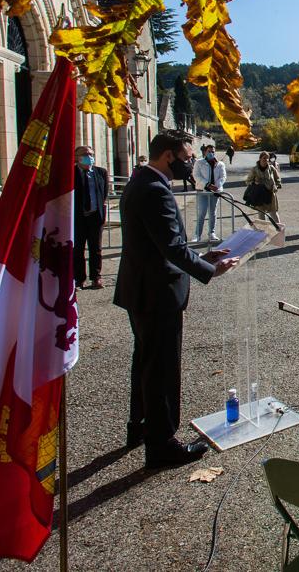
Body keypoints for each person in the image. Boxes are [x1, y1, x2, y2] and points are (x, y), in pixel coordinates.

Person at [114, 130, 238, 467]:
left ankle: (139, 426)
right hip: (157, 293)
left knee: (145, 361)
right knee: (162, 369)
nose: (191, 163)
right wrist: (209, 270)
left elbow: (163, 244)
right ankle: (162, 444)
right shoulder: (155, 190)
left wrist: (203, 258)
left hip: (140, 289)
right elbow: (170, 247)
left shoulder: (140, 181)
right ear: (168, 156)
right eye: (187, 157)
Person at [74, 145, 109, 290]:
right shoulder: (71, 174)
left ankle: (96, 278)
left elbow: (104, 193)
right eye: (85, 154)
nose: (89, 157)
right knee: (78, 249)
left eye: (91, 154)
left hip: (95, 217)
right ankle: (79, 279)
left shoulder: (101, 173)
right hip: (78, 218)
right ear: (77, 157)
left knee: (96, 249)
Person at [193, 144, 226, 244]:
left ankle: (211, 233)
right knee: (202, 213)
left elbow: (223, 176)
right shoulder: (199, 162)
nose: (211, 153)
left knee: (213, 213)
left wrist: (217, 185)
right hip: (202, 191)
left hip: (214, 192)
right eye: (209, 151)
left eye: (213, 151)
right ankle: (197, 235)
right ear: (205, 152)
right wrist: (207, 184)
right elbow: (196, 176)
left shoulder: (220, 164)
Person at [245, 151, 282, 221]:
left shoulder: (271, 168)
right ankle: (263, 231)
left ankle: (279, 230)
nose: (266, 160)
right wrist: (254, 183)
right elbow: (248, 181)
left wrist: (276, 186)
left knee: (273, 213)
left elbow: (278, 179)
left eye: (268, 158)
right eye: (264, 158)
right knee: (261, 214)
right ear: (260, 159)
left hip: (271, 194)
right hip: (259, 195)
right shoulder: (254, 169)